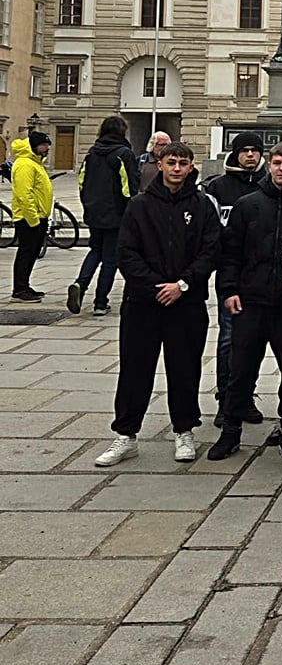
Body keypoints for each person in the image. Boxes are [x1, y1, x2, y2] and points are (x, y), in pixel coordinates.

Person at [95, 142, 221, 467]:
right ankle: (126, 434)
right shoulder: (139, 205)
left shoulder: (203, 205)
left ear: (191, 166)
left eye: (183, 163)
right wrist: (155, 287)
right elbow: (127, 252)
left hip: (186, 301)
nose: (177, 168)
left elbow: (210, 250)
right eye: (171, 162)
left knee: (184, 368)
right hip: (143, 302)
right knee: (136, 369)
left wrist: (181, 284)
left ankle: (184, 430)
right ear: (160, 164)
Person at [207, 142, 282, 461]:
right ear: (268, 166)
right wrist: (229, 290)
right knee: (240, 372)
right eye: (277, 163)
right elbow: (231, 252)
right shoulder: (248, 204)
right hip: (251, 302)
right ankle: (230, 432)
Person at [204, 131, 267, 427]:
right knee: (229, 339)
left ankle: (246, 396)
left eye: (255, 150)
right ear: (236, 154)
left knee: (255, 342)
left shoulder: (270, 185)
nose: (250, 155)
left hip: (263, 277)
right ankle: (226, 399)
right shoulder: (218, 187)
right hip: (231, 276)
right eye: (245, 151)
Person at [69, 115, 139, 316]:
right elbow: (128, 188)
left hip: (94, 212)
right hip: (116, 215)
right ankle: (100, 301)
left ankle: (80, 285)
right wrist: (132, 211)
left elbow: (81, 183)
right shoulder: (123, 154)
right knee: (110, 259)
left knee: (95, 250)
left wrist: (88, 206)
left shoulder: (92, 154)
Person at [10, 131, 53, 302]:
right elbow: (24, 194)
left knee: (32, 252)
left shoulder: (34, 162)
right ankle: (19, 290)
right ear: (35, 146)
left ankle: (24, 285)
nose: (47, 148)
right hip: (27, 218)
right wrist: (33, 219)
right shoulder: (25, 164)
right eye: (44, 145)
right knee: (26, 252)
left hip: (37, 216)